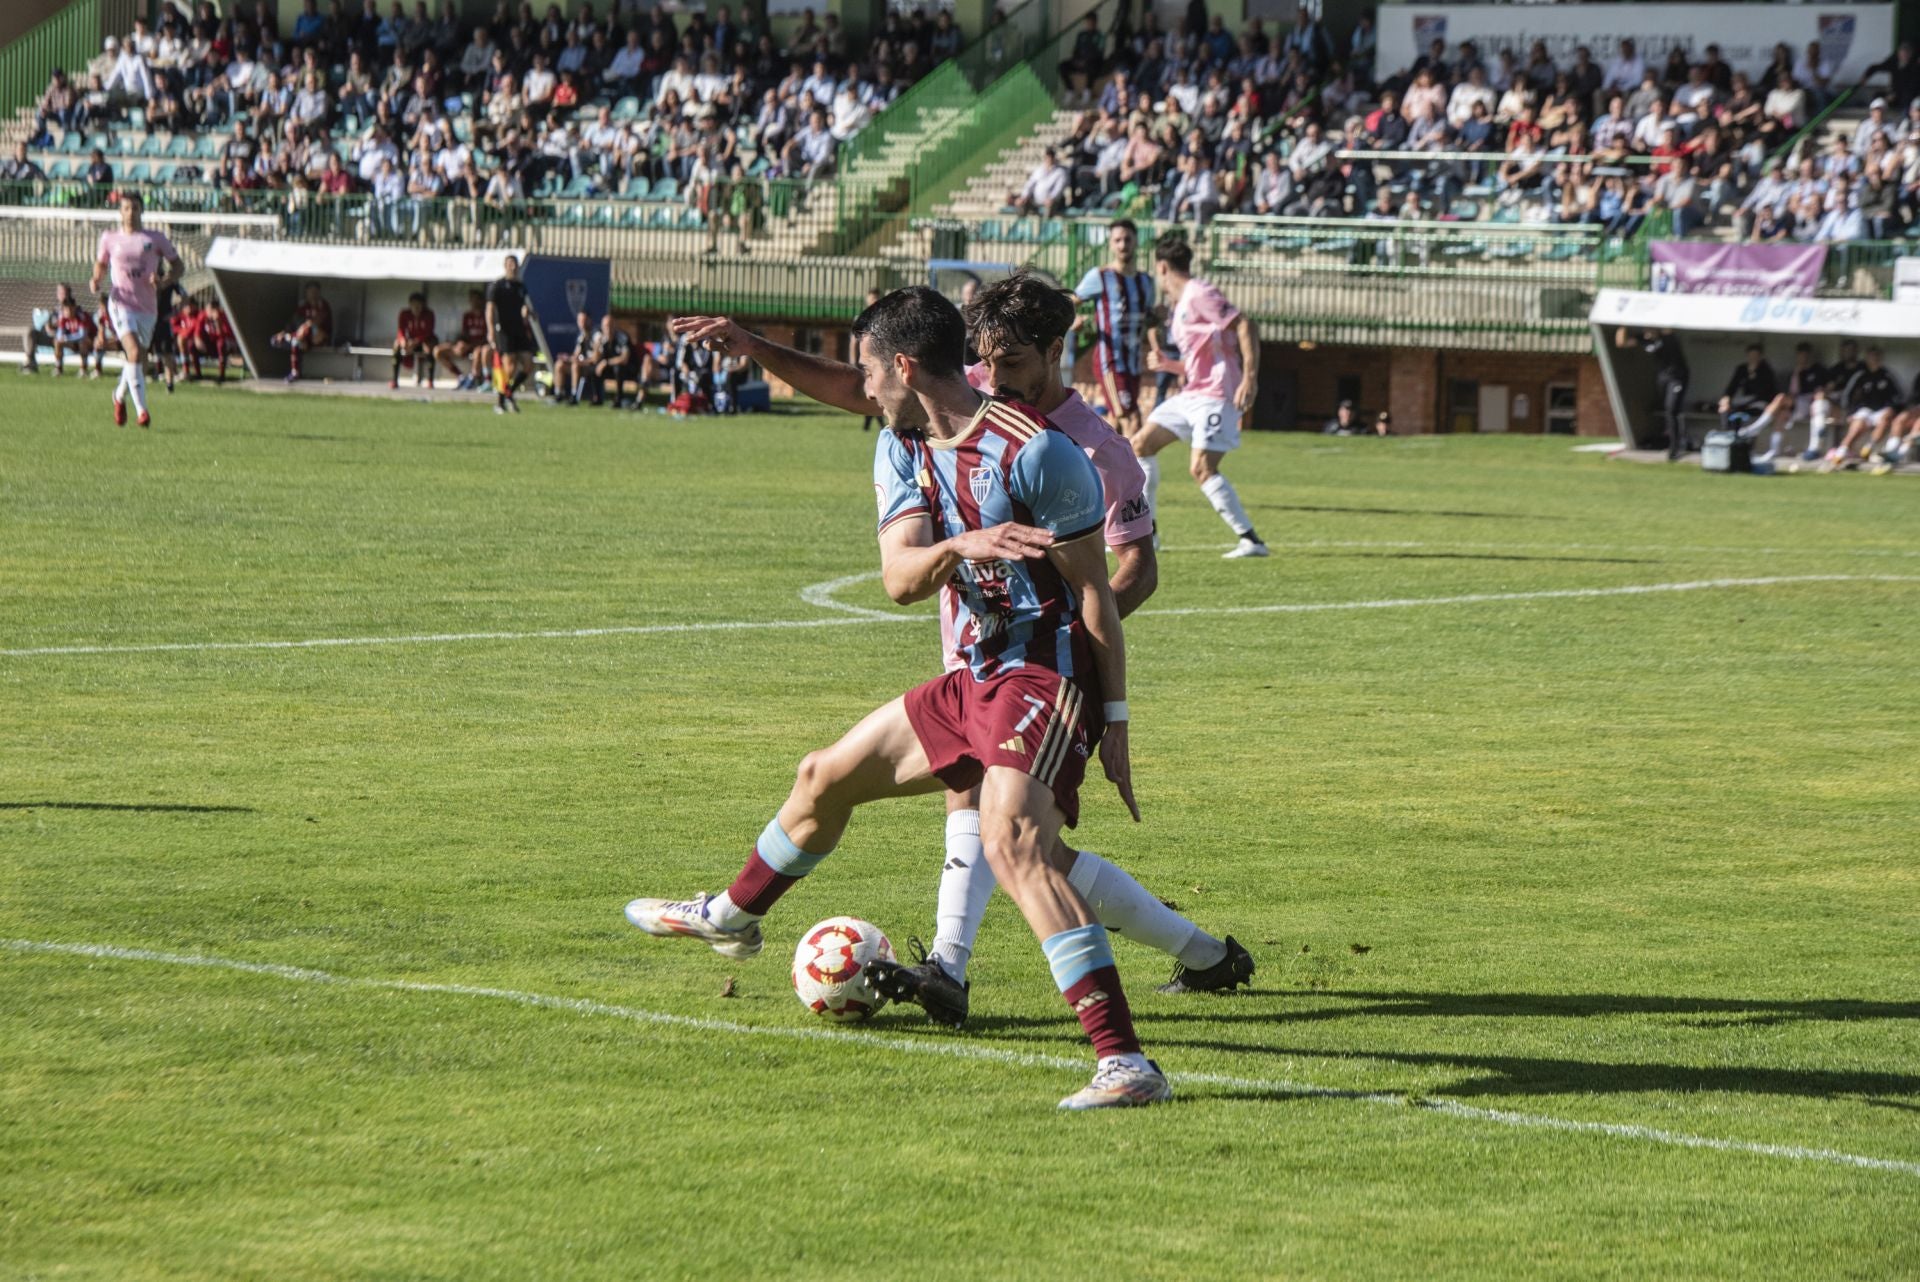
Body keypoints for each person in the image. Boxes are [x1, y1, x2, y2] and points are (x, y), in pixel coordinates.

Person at [637, 288, 1171, 1109]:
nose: (863, 389)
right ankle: (734, 916)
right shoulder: (902, 444)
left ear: (906, 366)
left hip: (1045, 673)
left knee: (1016, 844)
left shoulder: (1043, 454)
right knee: (822, 777)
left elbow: (1099, 594)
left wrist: (1117, 722)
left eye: (868, 372)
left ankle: (1125, 1062)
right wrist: (963, 544)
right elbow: (898, 582)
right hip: (973, 675)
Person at [1133, 232, 1269, 559]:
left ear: (1162, 267)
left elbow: (1244, 325)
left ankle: (1251, 540)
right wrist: (1169, 365)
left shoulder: (1199, 293)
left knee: (1202, 468)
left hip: (1217, 394)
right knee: (1140, 445)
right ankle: (1148, 535)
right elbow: (1199, 363)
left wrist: (1250, 378)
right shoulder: (1182, 306)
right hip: (1193, 392)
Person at [89, 192, 182, 429]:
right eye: (126, 208)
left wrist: (163, 281)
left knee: (138, 358)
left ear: (142, 211)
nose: (131, 213)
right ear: (120, 212)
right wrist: (96, 278)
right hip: (121, 303)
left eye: (135, 208)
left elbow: (179, 266)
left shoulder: (155, 238)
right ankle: (142, 411)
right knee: (132, 351)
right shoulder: (110, 238)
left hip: (148, 307)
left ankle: (118, 397)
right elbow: (101, 263)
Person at [1073, 219, 1155, 441]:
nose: (1122, 245)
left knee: (1115, 422)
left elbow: (1150, 320)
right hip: (1110, 361)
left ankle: (1096, 467)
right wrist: (1072, 321)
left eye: (1127, 239)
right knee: (1132, 418)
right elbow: (1070, 301)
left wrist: (1158, 338)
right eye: (1117, 240)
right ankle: (1139, 474)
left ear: (1136, 242)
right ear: (1110, 244)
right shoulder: (1100, 276)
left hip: (1133, 363)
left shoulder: (1146, 282)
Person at [1616, 326, 1690, 459]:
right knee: (1666, 409)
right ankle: (1668, 438)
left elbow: (1668, 327)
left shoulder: (1667, 336)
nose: (1647, 331)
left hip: (1678, 376)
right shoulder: (1644, 338)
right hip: (1663, 378)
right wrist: (1623, 324)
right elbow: (1621, 343)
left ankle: (1675, 447)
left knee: (1671, 409)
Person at [485, 253, 537, 413]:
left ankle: (508, 393)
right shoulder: (497, 286)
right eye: (510, 264)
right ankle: (500, 403)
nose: (513, 267)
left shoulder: (521, 286)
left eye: (515, 264)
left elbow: (523, 305)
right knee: (510, 366)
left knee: (528, 364)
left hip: (519, 329)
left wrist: (528, 312)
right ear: (505, 266)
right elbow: (490, 309)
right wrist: (491, 330)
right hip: (504, 330)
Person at [270, 281, 333, 383]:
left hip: (320, 337)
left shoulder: (323, 305)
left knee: (307, 327)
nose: (312, 294)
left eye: (314, 291)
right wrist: (285, 332)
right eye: (310, 291)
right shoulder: (303, 307)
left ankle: (290, 337)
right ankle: (295, 372)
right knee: (287, 340)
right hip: (304, 338)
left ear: (318, 292)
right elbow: (293, 323)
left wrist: (302, 331)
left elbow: (315, 322)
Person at [436, 287, 491, 389]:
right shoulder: (467, 315)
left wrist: (470, 345)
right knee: (438, 351)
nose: (473, 302)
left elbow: (487, 337)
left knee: (478, 352)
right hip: (466, 346)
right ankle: (460, 376)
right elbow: (464, 333)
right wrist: (460, 343)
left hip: (478, 346)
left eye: (476, 299)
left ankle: (472, 378)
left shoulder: (486, 315)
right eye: (471, 299)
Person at [20, 283, 78, 374]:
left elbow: (75, 327)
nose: (60, 294)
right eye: (59, 292)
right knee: (29, 332)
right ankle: (30, 362)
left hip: (67, 339)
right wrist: (48, 326)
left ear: (69, 293)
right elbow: (52, 324)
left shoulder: (74, 308)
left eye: (63, 292)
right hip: (52, 336)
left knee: (58, 340)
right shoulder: (56, 309)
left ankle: (58, 368)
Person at [1719, 343, 1777, 426]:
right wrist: (1726, 397)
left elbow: (1763, 392)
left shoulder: (1765, 370)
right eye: (1751, 355)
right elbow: (1732, 386)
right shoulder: (1742, 369)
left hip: (1760, 401)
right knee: (1724, 407)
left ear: (1760, 356)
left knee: (1752, 408)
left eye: (1755, 355)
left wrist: (1753, 374)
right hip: (1744, 400)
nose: (1753, 358)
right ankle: (1726, 430)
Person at [391, 290, 438, 388]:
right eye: (414, 305)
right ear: (410, 305)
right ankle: (394, 380)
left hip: (425, 340)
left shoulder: (429, 314)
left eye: (419, 305)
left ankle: (430, 380)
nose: (416, 308)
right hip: (411, 341)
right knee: (396, 345)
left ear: (423, 305)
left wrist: (415, 342)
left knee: (428, 348)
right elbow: (401, 329)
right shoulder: (404, 313)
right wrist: (403, 340)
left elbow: (428, 331)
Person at [587, 313, 636, 406]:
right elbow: (595, 359)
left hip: (627, 369)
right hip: (609, 369)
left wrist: (606, 362)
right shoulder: (601, 338)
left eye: (610, 325)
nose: (608, 329)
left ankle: (618, 398)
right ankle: (597, 397)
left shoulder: (622, 337)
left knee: (618, 368)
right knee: (593, 368)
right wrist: (597, 346)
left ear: (615, 325)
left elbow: (624, 359)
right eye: (606, 326)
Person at [551, 309, 596, 402]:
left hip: (591, 367)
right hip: (582, 365)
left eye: (583, 320)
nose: (581, 323)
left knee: (575, 365)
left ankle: (574, 394)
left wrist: (580, 362)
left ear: (589, 321)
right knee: (560, 364)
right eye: (579, 321)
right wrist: (567, 358)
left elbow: (595, 358)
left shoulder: (596, 335)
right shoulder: (581, 337)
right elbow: (576, 354)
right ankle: (558, 393)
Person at [48, 297, 98, 377]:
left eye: (70, 309)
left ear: (74, 308)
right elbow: (60, 334)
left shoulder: (82, 316)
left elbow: (82, 334)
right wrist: (62, 338)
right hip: (74, 342)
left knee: (83, 342)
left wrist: (66, 338)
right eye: (66, 310)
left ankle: (83, 369)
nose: (68, 312)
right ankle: (58, 368)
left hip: (90, 341)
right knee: (57, 341)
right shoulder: (62, 317)